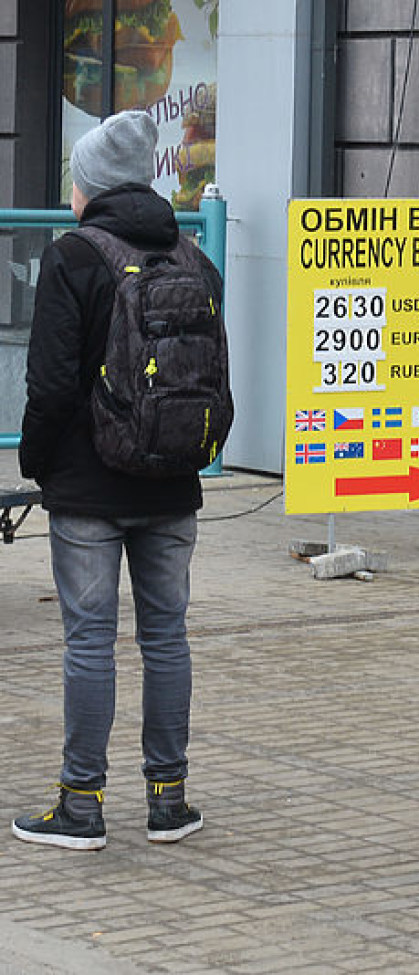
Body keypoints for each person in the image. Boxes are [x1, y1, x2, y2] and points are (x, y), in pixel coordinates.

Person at [13, 110, 217, 850]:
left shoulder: (73, 257)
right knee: (166, 636)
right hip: (172, 481)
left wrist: (35, 463)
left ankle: (81, 805)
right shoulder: (194, 256)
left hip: (88, 487)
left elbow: (50, 386)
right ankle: (169, 799)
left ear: (92, 183)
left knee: (89, 641)